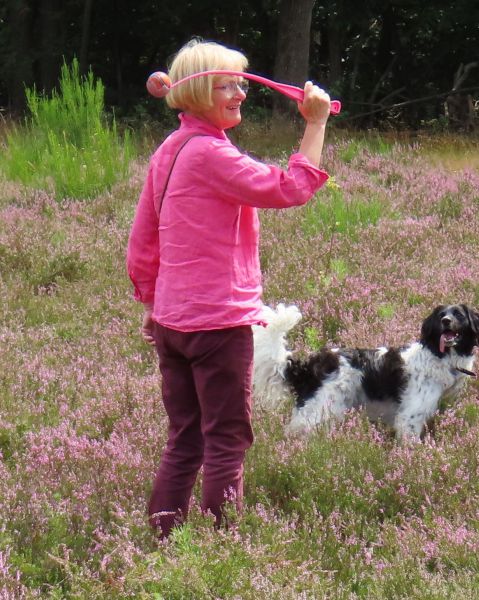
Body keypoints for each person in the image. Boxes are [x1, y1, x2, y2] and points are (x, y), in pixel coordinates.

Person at [126, 39, 331, 539]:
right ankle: (224, 548)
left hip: (175, 323)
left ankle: (163, 540)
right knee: (227, 440)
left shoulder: (169, 150)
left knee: (185, 439)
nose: (240, 92)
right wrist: (317, 122)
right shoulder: (211, 154)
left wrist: (154, 305)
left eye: (242, 82)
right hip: (218, 324)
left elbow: (142, 244)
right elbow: (290, 188)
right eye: (227, 85)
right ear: (197, 92)